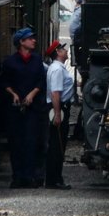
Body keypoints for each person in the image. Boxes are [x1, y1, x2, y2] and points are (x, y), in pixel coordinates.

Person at [2, 27, 46, 189]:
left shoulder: (36, 60)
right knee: (16, 142)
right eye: (30, 38)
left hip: (32, 107)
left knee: (31, 141)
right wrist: (13, 94)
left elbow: (41, 81)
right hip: (15, 108)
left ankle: (30, 176)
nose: (34, 40)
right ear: (21, 42)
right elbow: (5, 82)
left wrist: (32, 95)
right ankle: (17, 176)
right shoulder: (10, 62)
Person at [44, 40, 74, 190]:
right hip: (59, 108)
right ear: (58, 52)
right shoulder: (57, 69)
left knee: (58, 143)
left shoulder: (58, 68)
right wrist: (57, 114)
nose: (66, 51)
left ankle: (55, 178)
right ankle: (54, 180)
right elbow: (56, 93)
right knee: (57, 145)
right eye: (63, 49)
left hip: (60, 107)